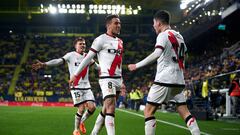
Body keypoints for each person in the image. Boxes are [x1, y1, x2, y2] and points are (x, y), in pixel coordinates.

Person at [128, 10, 200, 135]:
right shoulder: (179, 36)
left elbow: (156, 53)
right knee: (184, 111)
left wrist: (136, 65)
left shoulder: (163, 35)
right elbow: (184, 56)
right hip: (179, 79)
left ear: (159, 22)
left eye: (154, 23)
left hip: (165, 79)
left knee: (148, 111)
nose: (153, 26)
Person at [69, 15, 123, 135]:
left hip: (118, 79)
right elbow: (88, 58)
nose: (118, 25)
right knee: (111, 108)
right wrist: (76, 75)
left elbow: (119, 62)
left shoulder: (120, 41)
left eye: (119, 23)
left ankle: (94, 133)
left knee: (105, 109)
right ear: (108, 25)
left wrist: (122, 80)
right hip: (106, 78)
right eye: (116, 23)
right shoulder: (100, 40)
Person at [32, 37, 98, 135]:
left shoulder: (88, 56)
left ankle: (81, 122)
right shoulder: (70, 55)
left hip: (87, 86)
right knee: (81, 108)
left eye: (84, 44)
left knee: (92, 108)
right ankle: (75, 130)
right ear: (75, 46)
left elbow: (97, 66)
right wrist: (44, 64)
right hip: (75, 86)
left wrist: (107, 69)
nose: (83, 45)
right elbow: (58, 61)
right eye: (80, 44)